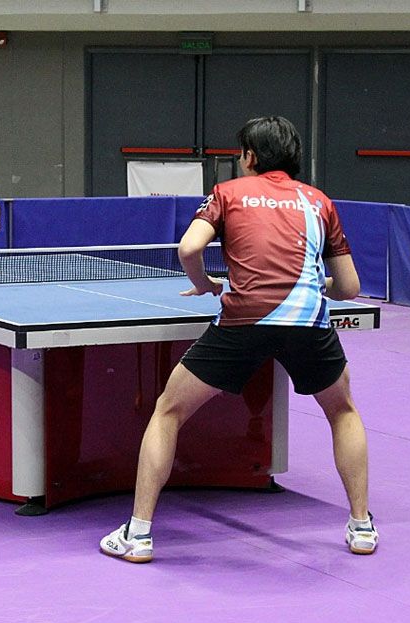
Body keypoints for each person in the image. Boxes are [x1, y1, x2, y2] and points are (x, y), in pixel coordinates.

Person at [99, 116, 378, 563]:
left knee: (168, 411)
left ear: (249, 156)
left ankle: (139, 535)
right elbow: (349, 288)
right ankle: (362, 526)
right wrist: (309, 286)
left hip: (243, 322)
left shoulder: (228, 194)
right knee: (343, 411)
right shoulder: (319, 202)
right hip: (308, 322)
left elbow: (189, 249)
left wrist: (206, 283)